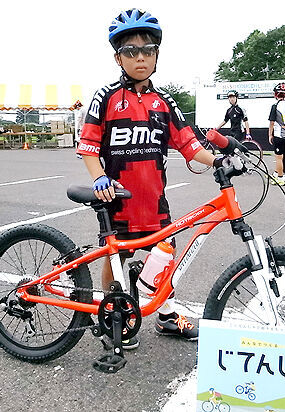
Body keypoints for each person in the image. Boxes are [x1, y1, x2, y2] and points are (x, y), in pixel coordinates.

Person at [76, 9, 218, 349]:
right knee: (116, 257)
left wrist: (219, 160)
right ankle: (113, 313)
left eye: (147, 50)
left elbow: (189, 144)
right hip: (117, 199)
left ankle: (166, 315)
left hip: (154, 200)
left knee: (165, 254)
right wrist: (99, 178)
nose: (140, 57)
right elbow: (88, 146)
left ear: (156, 55)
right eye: (130, 51)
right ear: (118, 57)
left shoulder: (164, 102)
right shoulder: (106, 97)